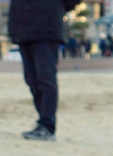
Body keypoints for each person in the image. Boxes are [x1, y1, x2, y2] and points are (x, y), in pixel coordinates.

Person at [8, 0, 71, 141]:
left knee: (46, 78)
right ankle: (43, 121)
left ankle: (48, 126)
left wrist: (53, 7)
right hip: (23, 32)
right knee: (32, 79)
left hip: (47, 30)